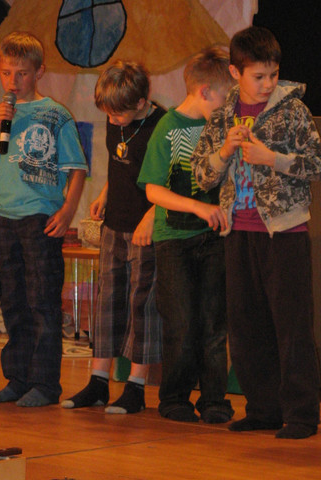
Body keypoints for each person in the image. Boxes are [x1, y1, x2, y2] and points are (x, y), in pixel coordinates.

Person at [192, 27, 321, 439]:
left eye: (273, 75)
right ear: (235, 72)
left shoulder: (293, 110)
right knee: (247, 326)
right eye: (258, 76)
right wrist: (224, 151)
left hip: (284, 232)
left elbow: (316, 164)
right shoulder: (222, 116)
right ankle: (263, 409)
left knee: (291, 325)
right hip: (238, 232)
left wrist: (273, 158)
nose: (267, 84)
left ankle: (301, 414)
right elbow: (202, 176)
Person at [0, 31, 87, 407]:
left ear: (38, 72)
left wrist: (67, 210)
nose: (13, 81)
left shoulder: (55, 114)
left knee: (42, 301)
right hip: (0, 215)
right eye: (6, 73)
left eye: (21, 73)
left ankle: (45, 383)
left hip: (39, 216)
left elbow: (77, 168)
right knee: (12, 301)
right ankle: (18, 378)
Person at [137, 46, 234, 424]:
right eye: (225, 98)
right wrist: (197, 207)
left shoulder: (221, 128)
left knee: (213, 323)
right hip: (174, 240)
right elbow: (153, 190)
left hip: (214, 240)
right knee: (180, 322)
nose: (228, 107)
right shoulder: (168, 127)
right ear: (205, 91)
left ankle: (214, 400)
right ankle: (175, 397)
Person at [61, 62, 165, 414]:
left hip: (144, 228)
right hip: (114, 224)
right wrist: (105, 193)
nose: (112, 119)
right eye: (107, 113)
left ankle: (136, 386)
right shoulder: (115, 119)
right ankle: (98, 381)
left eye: (118, 113)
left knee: (141, 305)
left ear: (141, 102)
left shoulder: (161, 125)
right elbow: (121, 163)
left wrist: (152, 216)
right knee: (106, 302)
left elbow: (171, 179)